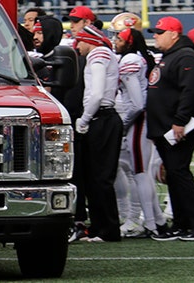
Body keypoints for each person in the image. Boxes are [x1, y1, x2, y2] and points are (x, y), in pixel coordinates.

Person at [146, 17, 194, 241]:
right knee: (173, 176)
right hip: (164, 128)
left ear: (174, 34)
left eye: (160, 32)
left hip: (178, 129)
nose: (155, 35)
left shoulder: (186, 57)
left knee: (180, 174)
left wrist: (180, 120)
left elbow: (190, 91)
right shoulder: (170, 56)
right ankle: (182, 223)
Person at [109, 17, 163, 239]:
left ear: (129, 42)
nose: (115, 41)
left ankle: (150, 224)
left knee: (140, 172)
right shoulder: (138, 57)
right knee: (140, 172)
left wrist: (124, 123)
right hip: (140, 119)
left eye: (119, 38)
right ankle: (157, 219)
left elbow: (138, 103)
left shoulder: (130, 59)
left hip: (139, 119)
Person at [72, 26, 123, 243]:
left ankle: (108, 229)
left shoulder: (98, 54)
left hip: (101, 118)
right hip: (100, 118)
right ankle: (99, 226)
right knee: (93, 177)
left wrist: (84, 119)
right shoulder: (99, 54)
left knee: (101, 178)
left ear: (87, 39)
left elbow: (97, 94)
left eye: (79, 42)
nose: (77, 47)